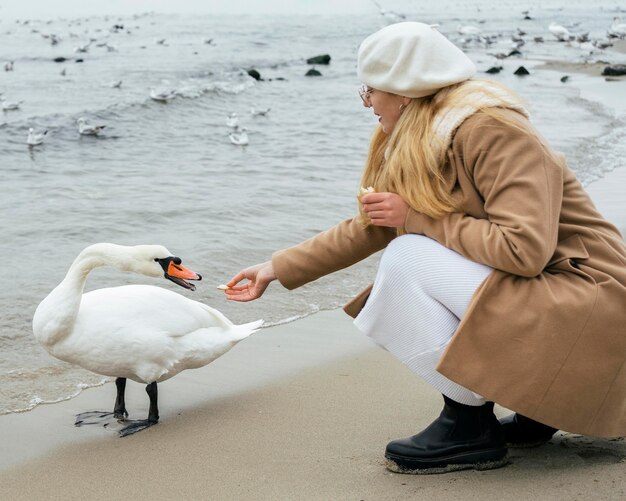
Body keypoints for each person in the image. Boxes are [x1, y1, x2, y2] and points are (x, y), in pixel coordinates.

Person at [224, 22, 626, 474]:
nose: (367, 101)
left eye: (371, 89)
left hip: (592, 300)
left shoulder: (494, 131)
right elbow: (373, 225)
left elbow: (524, 250)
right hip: (554, 297)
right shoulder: (429, 135)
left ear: (404, 90)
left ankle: (468, 422)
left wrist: (416, 220)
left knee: (407, 256)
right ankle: (538, 403)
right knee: (409, 248)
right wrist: (275, 268)